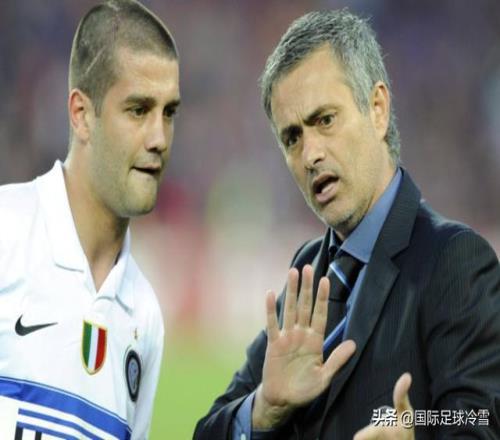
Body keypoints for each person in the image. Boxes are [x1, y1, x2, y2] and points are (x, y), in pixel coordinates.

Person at [194, 9, 500, 440]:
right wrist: (264, 408)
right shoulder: (308, 273)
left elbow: (477, 419)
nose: (310, 154)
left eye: (325, 120)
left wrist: (417, 431)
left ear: (377, 109)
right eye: (292, 138)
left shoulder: (455, 260)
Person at [0, 1, 180, 439]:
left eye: (169, 112)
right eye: (138, 110)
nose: (159, 138)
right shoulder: (8, 232)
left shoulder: (144, 316)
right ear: (81, 115)